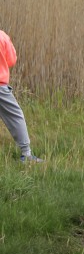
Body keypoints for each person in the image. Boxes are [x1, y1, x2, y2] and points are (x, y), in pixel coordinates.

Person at [0, 30, 42, 163]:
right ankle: (26, 154)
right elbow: (11, 61)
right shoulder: (2, 36)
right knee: (15, 116)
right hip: (0, 87)